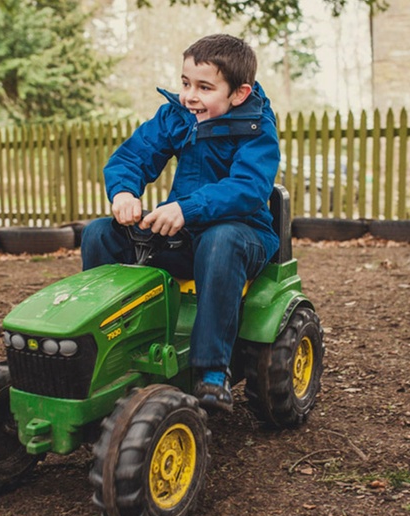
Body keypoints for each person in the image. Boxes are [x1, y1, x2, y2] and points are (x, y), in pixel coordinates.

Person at [80, 34, 280, 412]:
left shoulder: (256, 129)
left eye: (205, 88)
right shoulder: (178, 116)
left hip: (243, 234)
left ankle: (211, 371)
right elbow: (134, 156)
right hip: (184, 233)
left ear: (239, 93)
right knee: (100, 234)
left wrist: (187, 208)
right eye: (186, 83)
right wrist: (123, 192)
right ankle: (101, 348)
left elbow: (249, 189)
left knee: (220, 240)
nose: (190, 95)